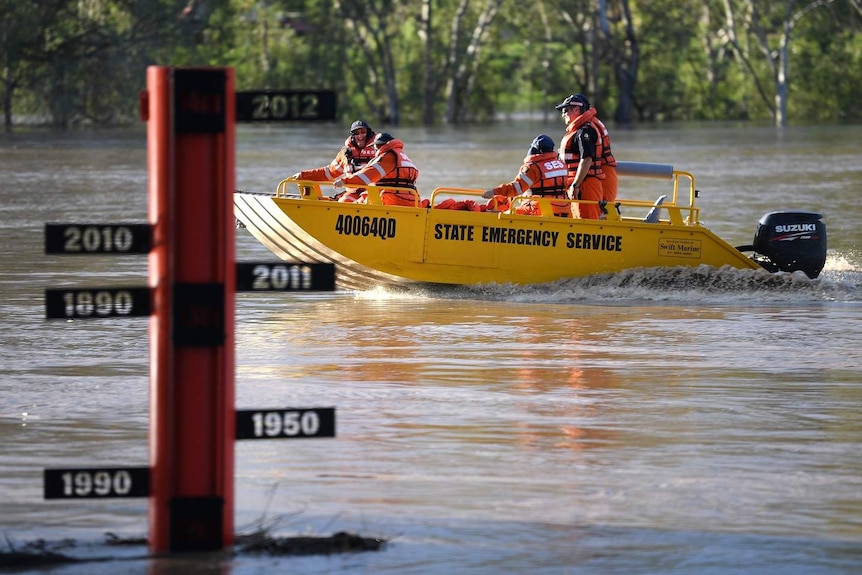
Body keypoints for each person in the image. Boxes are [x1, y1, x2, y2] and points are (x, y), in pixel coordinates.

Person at [481, 134, 569, 217]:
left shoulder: (533, 168)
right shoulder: (562, 165)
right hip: (564, 209)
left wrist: (494, 192)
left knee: (503, 215)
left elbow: (516, 188)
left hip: (539, 210)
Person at [291, 120, 376, 202]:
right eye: (357, 133)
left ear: (368, 133)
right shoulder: (346, 154)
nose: (360, 136)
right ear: (352, 136)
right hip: (353, 192)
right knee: (343, 201)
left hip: (375, 192)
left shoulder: (378, 149)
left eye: (363, 132)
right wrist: (304, 175)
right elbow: (329, 172)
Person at [333, 132, 423, 207]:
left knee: (350, 207)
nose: (374, 149)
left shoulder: (388, 157)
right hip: (410, 198)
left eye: (375, 146)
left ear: (379, 145)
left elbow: (367, 176)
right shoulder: (401, 156)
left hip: (391, 199)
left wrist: (345, 181)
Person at [555, 93, 606, 219]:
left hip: (586, 184)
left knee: (587, 223)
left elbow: (587, 158)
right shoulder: (580, 130)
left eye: (565, 110)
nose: (563, 114)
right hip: (580, 183)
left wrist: (575, 185)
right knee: (578, 221)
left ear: (576, 109)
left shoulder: (584, 131)